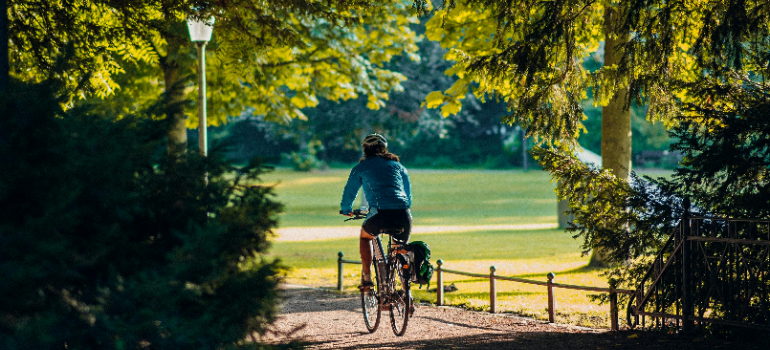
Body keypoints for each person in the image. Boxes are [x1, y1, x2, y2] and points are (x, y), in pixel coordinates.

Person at [340, 133, 412, 288]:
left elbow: (350, 192)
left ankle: (366, 277)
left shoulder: (361, 167)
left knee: (365, 237)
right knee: (399, 249)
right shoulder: (398, 166)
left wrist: (346, 209)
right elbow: (408, 194)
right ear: (384, 148)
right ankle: (406, 291)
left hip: (379, 214)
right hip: (403, 214)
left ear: (365, 150)